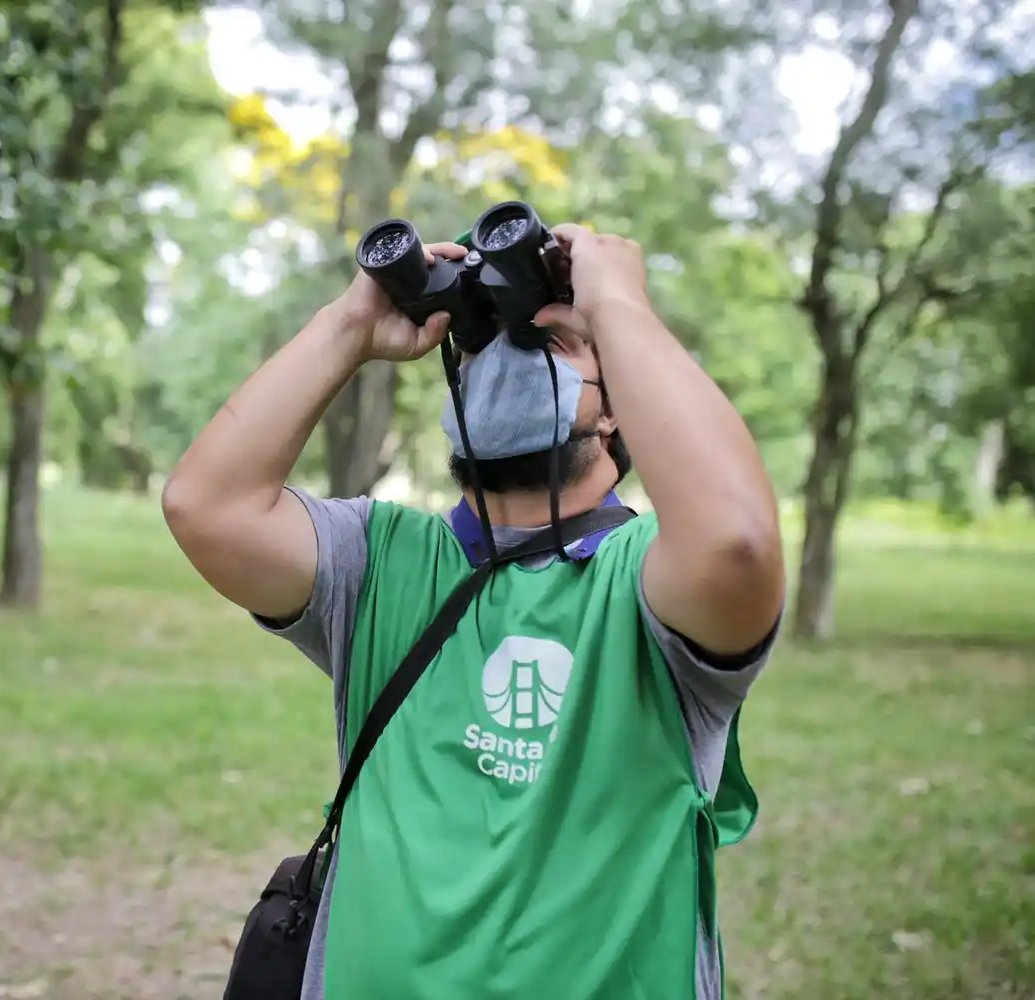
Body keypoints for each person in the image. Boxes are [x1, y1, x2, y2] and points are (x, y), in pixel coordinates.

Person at [162, 225, 786, 1000]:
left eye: (552, 345)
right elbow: (205, 505)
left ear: (620, 409)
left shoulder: (651, 580)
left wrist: (617, 303)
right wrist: (351, 325)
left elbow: (737, 542)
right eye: (486, 343)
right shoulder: (381, 560)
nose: (509, 361)